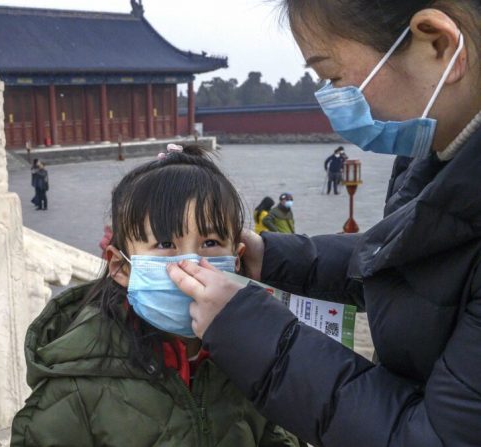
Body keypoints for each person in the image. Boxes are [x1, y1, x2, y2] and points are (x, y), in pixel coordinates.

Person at [167, 2, 481, 446]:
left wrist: (249, 330)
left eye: (332, 76)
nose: (331, 100)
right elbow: (407, 264)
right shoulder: (433, 152)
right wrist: (269, 255)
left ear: (439, 45)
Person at [11, 144, 301, 446]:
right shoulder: (75, 385)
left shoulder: (257, 362)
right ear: (121, 266)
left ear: (237, 259)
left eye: (210, 242)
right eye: (165, 243)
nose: (189, 266)